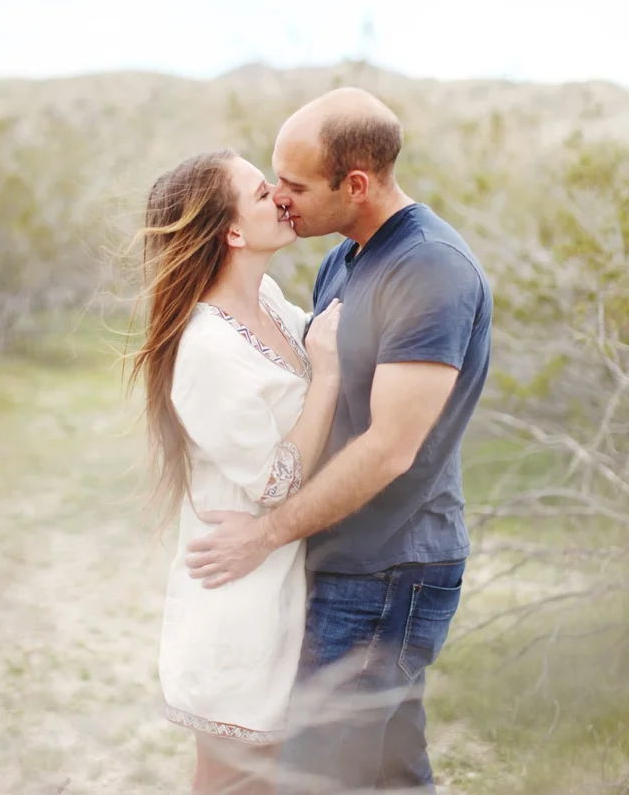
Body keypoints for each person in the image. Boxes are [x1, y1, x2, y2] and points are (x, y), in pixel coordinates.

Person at [186, 88, 494, 793]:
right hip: (348, 562)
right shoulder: (347, 260)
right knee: (388, 773)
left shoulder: (428, 269)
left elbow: (390, 446)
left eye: (294, 186)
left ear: (355, 184)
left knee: (321, 777)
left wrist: (265, 535)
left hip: (387, 571)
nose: (281, 200)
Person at [128, 149, 342, 795]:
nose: (280, 194)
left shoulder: (270, 302)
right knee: (236, 783)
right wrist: (326, 373)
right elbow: (276, 482)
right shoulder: (207, 349)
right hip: (237, 596)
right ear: (233, 232)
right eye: (260, 190)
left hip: (280, 580)